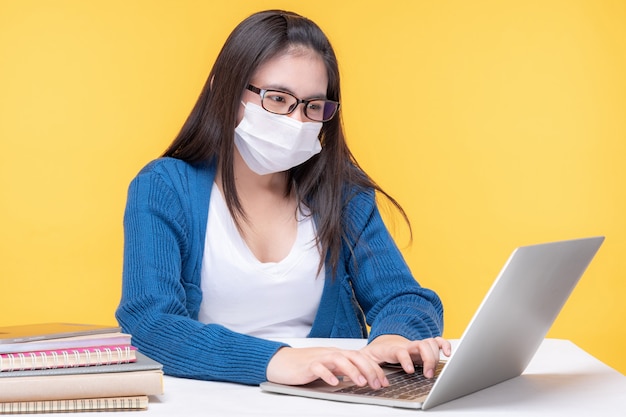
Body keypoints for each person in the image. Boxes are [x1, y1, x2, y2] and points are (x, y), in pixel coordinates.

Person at [115, 9, 450, 390]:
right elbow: (148, 324)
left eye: (313, 106)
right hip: (212, 397)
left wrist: (394, 338)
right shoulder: (164, 186)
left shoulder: (342, 193)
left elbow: (406, 297)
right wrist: (274, 359)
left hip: (328, 397)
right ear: (222, 89)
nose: (296, 122)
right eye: (277, 98)